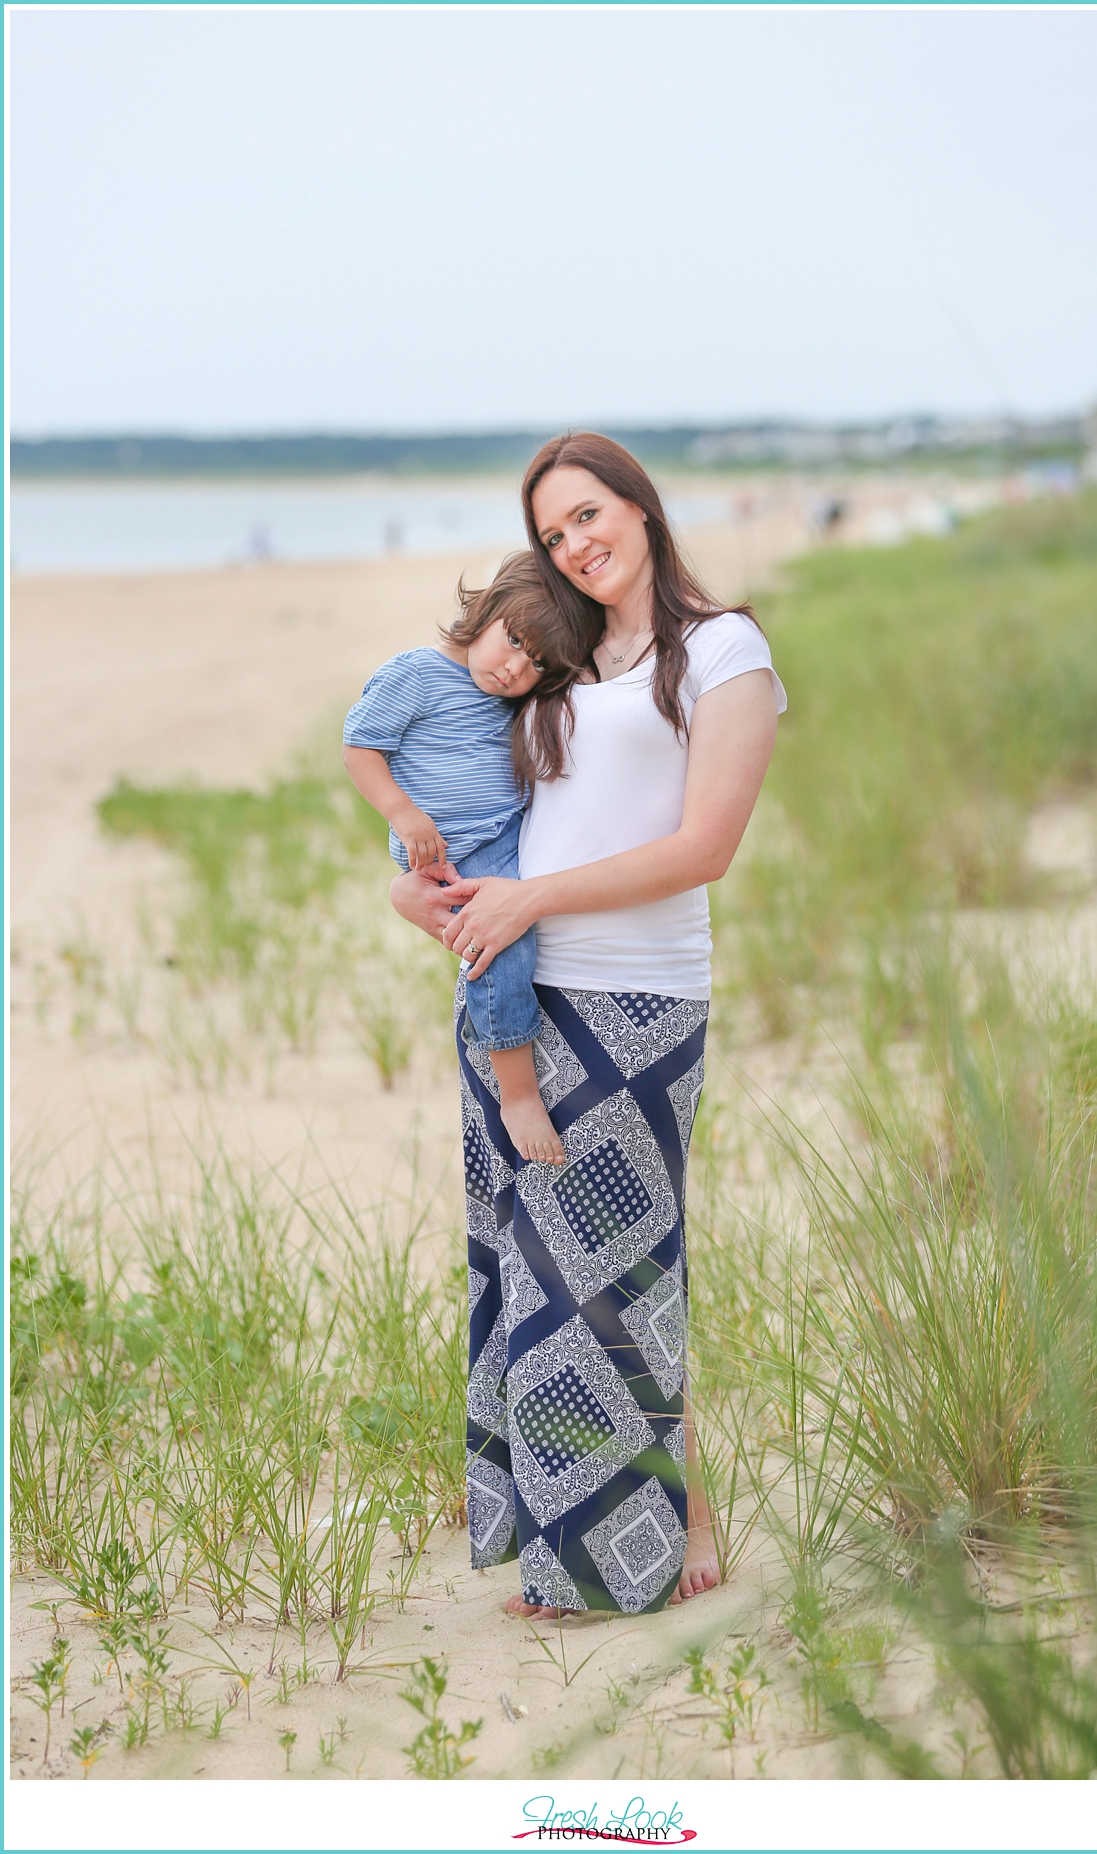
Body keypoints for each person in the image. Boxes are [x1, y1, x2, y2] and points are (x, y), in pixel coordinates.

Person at [392, 432, 785, 1617]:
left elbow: (703, 849)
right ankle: (624, 1523)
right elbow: (482, 804)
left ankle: (634, 1543)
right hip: (513, 993)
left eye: (588, 515)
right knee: (532, 1271)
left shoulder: (721, 650)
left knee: (616, 1269)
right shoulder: (563, 661)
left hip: (640, 998)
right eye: (552, 533)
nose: (574, 544)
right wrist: (422, 892)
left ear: (642, 508)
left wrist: (533, 901)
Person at [342, 552, 582, 1162]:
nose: (514, 669)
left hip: (509, 831)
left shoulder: (504, 696)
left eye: (536, 666)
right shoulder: (415, 674)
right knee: (501, 949)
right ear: (485, 610)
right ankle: (518, 1091)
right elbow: (361, 747)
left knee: (525, 935)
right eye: (514, 641)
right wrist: (402, 813)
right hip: (455, 850)